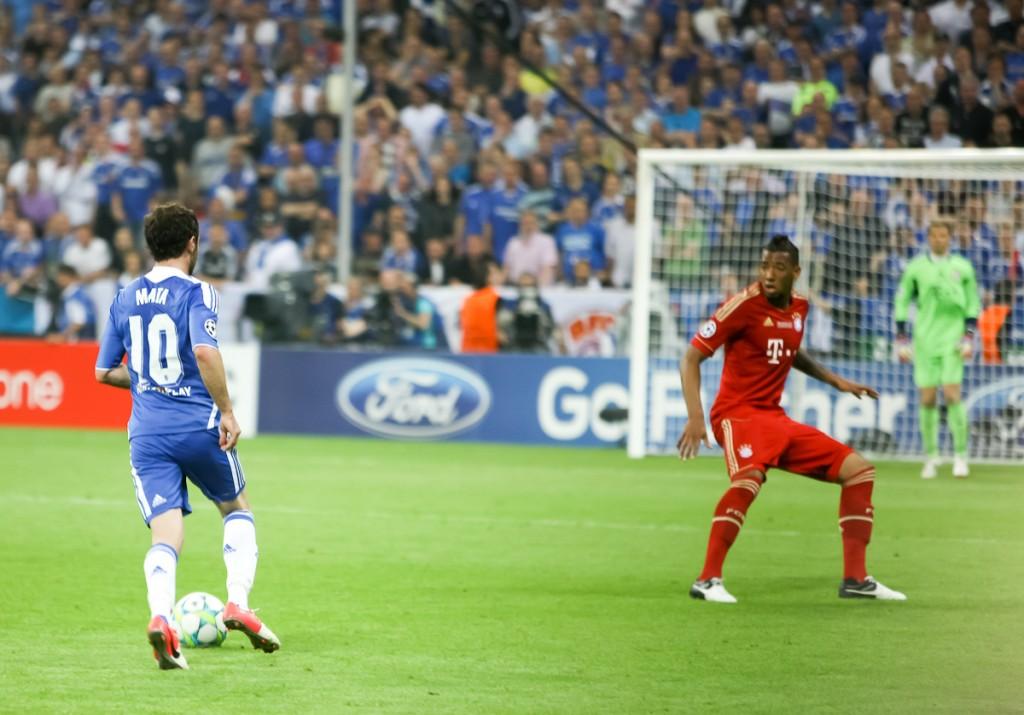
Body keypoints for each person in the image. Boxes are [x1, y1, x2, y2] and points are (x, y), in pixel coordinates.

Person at [95, 203, 280, 671]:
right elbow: (204, 350)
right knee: (236, 508)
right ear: (192, 243)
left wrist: (146, 380)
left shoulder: (125, 297)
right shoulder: (200, 293)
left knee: (166, 531)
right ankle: (237, 602)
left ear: (149, 244)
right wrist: (228, 411)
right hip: (197, 426)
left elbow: (102, 371)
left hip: (147, 435)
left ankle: (162, 618)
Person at [679, 235, 906, 603]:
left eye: (778, 268)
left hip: (774, 418)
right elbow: (691, 357)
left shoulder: (799, 306)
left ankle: (856, 579)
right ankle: (707, 580)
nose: (768, 275)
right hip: (737, 414)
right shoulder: (741, 306)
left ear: (795, 272)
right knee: (749, 479)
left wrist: (835, 380)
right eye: (764, 266)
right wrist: (695, 417)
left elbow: (789, 350)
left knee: (859, 471)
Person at [894, 222, 981, 479]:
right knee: (928, 398)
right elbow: (902, 301)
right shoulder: (916, 268)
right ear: (928, 238)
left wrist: (969, 337)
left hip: (952, 340)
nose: (939, 239)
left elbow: (973, 304)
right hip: (925, 340)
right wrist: (901, 339)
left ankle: (961, 455)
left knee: (953, 394)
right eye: (934, 235)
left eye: (943, 235)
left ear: (950, 239)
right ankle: (932, 456)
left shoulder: (962, 267)